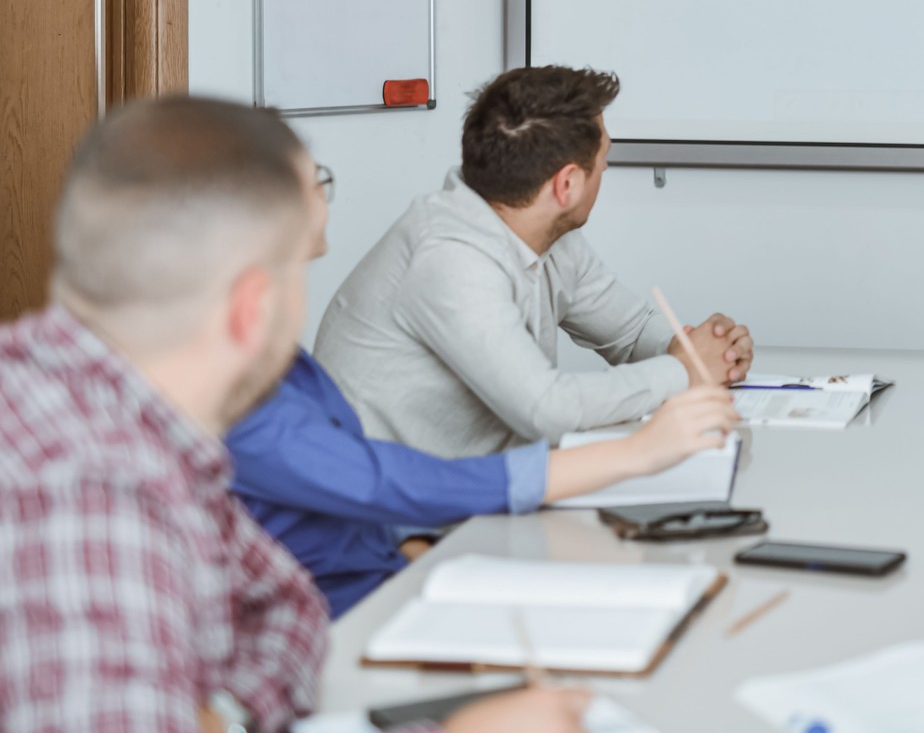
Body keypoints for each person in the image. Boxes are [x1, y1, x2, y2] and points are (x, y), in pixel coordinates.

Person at [0, 95, 584, 732]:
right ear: (252, 310)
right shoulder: (90, 488)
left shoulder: (130, 424)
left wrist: (218, 717)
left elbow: (288, 611)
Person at [230, 161, 738, 616]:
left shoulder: (282, 362)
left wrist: (414, 551)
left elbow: (366, 493)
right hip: (356, 609)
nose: (324, 186)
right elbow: (390, 480)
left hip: (404, 558)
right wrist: (637, 451)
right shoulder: (232, 402)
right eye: (312, 176)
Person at [316, 65, 754, 457]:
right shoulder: (447, 257)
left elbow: (632, 332)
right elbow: (547, 409)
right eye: (604, 162)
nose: (605, 172)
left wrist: (707, 353)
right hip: (401, 524)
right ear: (567, 184)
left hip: (491, 486)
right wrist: (684, 369)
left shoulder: (547, 233)